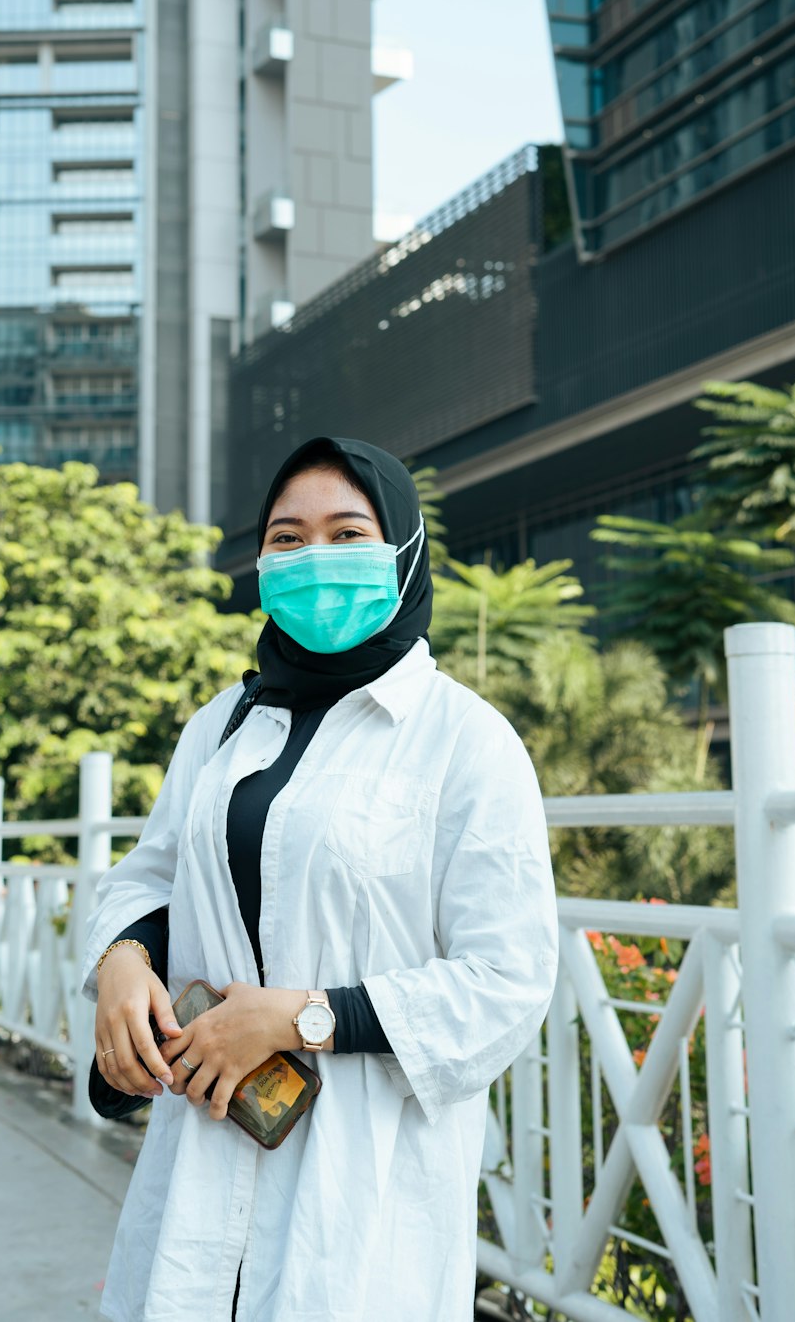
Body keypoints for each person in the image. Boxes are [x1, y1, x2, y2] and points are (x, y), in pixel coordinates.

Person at [82, 437, 558, 1322]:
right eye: (288, 540)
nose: (316, 561)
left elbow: (508, 980)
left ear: (406, 553)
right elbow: (152, 877)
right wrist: (121, 960)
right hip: (207, 1139)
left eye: (348, 533)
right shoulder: (221, 725)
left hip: (363, 1174)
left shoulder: (465, 739)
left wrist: (305, 1016)